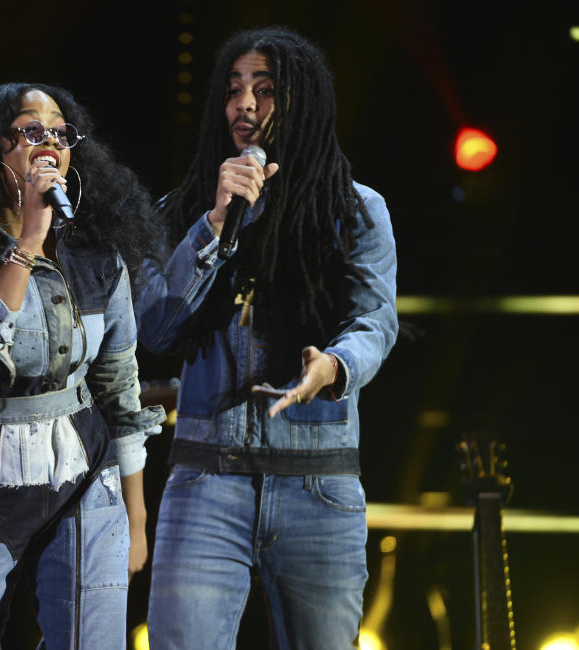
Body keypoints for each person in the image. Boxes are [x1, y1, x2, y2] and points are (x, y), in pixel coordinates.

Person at [135, 27, 398, 649]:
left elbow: (375, 321)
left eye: (265, 89)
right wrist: (218, 223)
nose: (244, 105)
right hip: (206, 482)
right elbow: (156, 325)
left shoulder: (357, 210)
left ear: (301, 101)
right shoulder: (186, 212)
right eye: (233, 90)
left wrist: (331, 367)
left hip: (318, 487)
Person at [0, 82, 165, 650]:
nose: (49, 144)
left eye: (60, 133)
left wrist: (137, 520)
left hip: (84, 477)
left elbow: (119, 388)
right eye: (29, 130)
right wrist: (27, 244)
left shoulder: (98, 254)